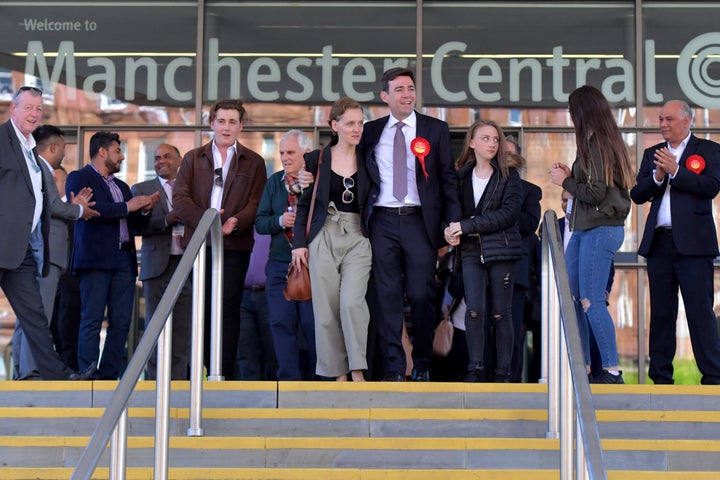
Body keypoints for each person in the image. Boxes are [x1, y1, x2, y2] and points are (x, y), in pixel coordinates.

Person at [359, 67, 461, 382]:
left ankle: (422, 364)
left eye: (411, 88)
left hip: (420, 221)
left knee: (420, 294)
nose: (407, 94)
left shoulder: (435, 129)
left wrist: (452, 221)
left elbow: (448, 179)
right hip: (382, 221)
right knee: (387, 296)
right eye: (399, 89)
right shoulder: (370, 131)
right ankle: (394, 367)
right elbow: (343, 160)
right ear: (385, 96)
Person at [0, 86, 95, 380]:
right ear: (13, 109)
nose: (33, 114)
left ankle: (57, 374)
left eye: (38, 109)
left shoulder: (31, 150)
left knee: (36, 318)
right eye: (28, 107)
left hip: (22, 250)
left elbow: (40, 201)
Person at [173, 98, 267, 380]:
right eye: (221, 121)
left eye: (233, 121)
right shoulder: (192, 157)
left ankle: (222, 374)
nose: (227, 127)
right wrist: (207, 222)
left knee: (227, 308)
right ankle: (197, 373)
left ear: (241, 125)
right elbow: (180, 198)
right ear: (212, 124)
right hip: (199, 245)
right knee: (199, 308)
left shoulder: (255, 161)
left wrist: (234, 222)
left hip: (234, 246)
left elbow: (256, 202)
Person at [630, 99, 720, 385]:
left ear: (687, 121)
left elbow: (711, 187)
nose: (663, 125)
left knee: (700, 311)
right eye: (660, 119)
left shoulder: (708, 150)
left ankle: (713, 374)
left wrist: (677, 172)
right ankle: (660, 377)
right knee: (661, 313)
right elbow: (637, 194)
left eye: (669, 119)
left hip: (695, 246)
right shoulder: (652, 154)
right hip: (660, 244)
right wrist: (657, 176)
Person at [549, 85, 634, 384]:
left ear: (581, 112)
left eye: (572, 112)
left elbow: (596, 192)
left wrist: (566, 181)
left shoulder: (596, 143)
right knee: (571, 296)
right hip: (586, 228)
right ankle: (582, 366)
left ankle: (611, 370)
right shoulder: (596, 142)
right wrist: (571, 177)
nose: (570, 117)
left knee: (591, 300)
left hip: (601, 229)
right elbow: (595, 185)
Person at [67, 131, 160, 380]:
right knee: (92, 318)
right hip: (96, 259)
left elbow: (134, 224)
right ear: (102, 152)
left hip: (124, 259)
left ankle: (108, 375)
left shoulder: (122, 186)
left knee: (121, 321)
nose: (122, 156)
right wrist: (129, 206)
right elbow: (93, 211)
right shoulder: (79, 177)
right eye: (118, 151)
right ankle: (86, 372)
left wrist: (143, 210)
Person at [292, 97, 372, 382]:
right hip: (323, 231)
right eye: (350, 123)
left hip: (358, 235)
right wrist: (299, 244)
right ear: (334, 125)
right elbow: (305, 203)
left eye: (360, 123)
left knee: (352, 303)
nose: (356, 129)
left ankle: (357, 369)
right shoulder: (316, 159)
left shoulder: (369, 156)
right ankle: (337, 373)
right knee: (325, 309)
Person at [445, 120, 523, 383]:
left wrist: (465, 226)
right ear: (471, 143)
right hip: (470, 251)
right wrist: (449, 231)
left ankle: (503, 372)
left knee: (501, 313)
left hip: (501, 250)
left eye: (496, 139)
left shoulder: (508, 175)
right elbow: (452, 213)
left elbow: (507, 215)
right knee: (474, 311)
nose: (492, 143)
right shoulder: (461, 177)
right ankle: (475, 368)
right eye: (486, 138)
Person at [255, 130, 316, 380]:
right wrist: (280, 220)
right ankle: (289, 382)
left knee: (314, 328)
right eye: (281, 152)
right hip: (280, 264)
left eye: (291, 152)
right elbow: (260, 223)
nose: (284, 157)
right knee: (280, 324)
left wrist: (307, 190)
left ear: (306, 154)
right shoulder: (274, 182)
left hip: (313, 266)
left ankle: (319, 382)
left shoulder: (318, 181)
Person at [132, 143, 192, 380]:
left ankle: (178, 381)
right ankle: (154, 381)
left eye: (167, 156)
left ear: (179, 160)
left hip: (187, 265)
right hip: (157, 267)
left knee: (183, 328)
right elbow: (135, 226)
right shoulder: (141, 188)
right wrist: (165, 220)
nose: (160, 161)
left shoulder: (192, 188)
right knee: (155, 327)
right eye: (156, 158)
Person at [505, 152, 541, 383]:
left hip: (516, 270)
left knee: (513, 330)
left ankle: (511, 380)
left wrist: (505, 210)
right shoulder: (480, 185)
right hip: (484, 266)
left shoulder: (529, 190)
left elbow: (529, 225)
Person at [236, 230, 278, 380]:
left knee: (274, 348)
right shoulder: (239, 223)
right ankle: (248, 398)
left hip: (269, 294)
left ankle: (276, 398)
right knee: (245, 350)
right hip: (241, 294)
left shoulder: (271, 222)